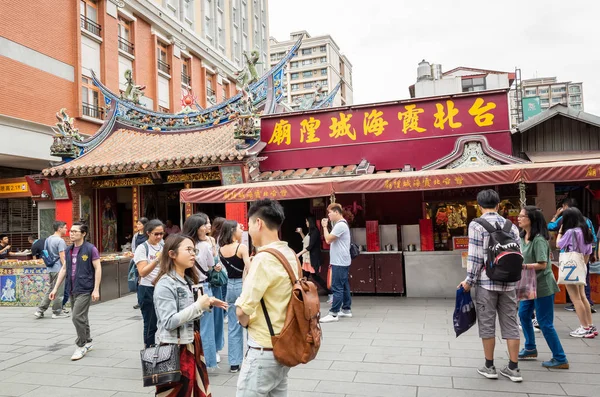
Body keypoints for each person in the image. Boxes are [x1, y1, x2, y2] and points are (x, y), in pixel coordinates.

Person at [235, 198, 299, 397]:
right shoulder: (289, 253)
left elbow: (242, 310)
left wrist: (245, 323)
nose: (249, 231)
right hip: (285, 345)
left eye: (249, 225)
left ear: (258, 223)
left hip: (263, 348)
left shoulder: (263, 259)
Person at [458, 189, 523, 382]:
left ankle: (489, 366)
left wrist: (469, 281)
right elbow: (519, 254)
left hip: (487, 283)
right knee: (511, 324)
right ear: (498, 204)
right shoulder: (511, 225)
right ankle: (513, 368)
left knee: (487, 324)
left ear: (479, 206)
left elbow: (476, 257)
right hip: (510, 283)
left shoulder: (477, 225)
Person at [153, 234, 228, 397]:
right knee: (176, 393)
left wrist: (206, 302)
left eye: (194, 250)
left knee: (195, 391)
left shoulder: (187, 280)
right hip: (172, 348)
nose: (193, 253)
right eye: (188, 249)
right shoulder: (165, 284)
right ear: (172, 254)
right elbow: (169, 321)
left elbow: (190, 314)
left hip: (192, 343)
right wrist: (198, 305)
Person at [517, 206, 568, 368]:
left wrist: (522, 267)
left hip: (542, 285)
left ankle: (560, 358)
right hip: (528, 283)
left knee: (545, 322)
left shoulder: (538, 240)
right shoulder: (523, 236)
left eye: (522, 216)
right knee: (523, 314)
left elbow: (542, 264)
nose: (518, 218)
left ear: (531, 219)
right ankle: (530, 347)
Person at [49, 222, 101, 360]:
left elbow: (98, 268)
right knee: (82, 316)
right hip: (72, 288)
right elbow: (64, 269)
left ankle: (81, 345)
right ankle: (88, 340)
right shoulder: (68, 250)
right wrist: (55, 288)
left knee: (76, 316)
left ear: (83, 234)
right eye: (71, 231)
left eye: (75, 231)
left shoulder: (90, 249)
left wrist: (96, 289)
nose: (71, 233)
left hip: (85, 288)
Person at [182, 213, 221, 370]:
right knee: (205, 326)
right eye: (203, 225)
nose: (206, 227)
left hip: (186, 286)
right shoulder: (205, 246)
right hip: (203, 287)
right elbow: (211, 265)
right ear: (196, 229)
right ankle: (206, 361)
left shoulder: (183, 245)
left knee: (189, 324)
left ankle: (190, 358)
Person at [549, 198, 597, 313]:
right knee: (584, 280)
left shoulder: (565, 223)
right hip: (583, 257)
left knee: (574, 289)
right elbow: (593, 239)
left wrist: (556, 216)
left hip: (570, 259)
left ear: (565, 207)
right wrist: (593, 255)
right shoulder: (587, 221)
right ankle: (588, 304)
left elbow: (551, 228)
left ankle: (577, 306)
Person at [557, 208, 597, 338]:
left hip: (571, 268)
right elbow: (589, 251)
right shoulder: (586, 231)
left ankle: (584, 327)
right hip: (582, 266)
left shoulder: (570, 232)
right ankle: (590, 325)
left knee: (576, 299)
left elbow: (558, 244)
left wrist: (560, 232)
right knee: (583, 296)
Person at [219, 220, 251, 373]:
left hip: (230, 287)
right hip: (242, 285)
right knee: (249, 322)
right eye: (239, 228)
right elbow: (249, 268)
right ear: (232, 230)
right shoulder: (241, 247)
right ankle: (251, 357)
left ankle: (234, 363)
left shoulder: (221, 249)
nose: (242, 229)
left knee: (233, 325)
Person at [134, 219, 165, 347]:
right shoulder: (142, 248)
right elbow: (142, 272)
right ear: (148, 233)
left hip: (162, 288)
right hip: (147, 289)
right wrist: (158, 259)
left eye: (161, 234)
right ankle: (149, 349)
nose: (159, 237)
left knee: (164, 321)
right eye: (156, 234)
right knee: (150, 323)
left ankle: (164, 350)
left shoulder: (163, 246)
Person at [320, 203, 352, 323]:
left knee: (337, 286)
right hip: (342, 260)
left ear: (337, 212)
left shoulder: (340, 225)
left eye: (330, 212)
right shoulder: (342, 224)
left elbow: (328, 239)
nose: (328, 215)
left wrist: (324, 227)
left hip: (339, 261)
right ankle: (346, 309)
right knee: (344, 286)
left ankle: (334, 313)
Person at [35, 221, 70, 319]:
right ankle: (57, 312)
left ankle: (40, 310)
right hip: (59, 268)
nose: (66, 229)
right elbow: (62, 256)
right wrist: (66, 268)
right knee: (59, 291)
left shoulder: (48, 239)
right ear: (59, 228)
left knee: (51, 290)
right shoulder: (60, 241)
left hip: (50, 268)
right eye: (65, 227)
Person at [205, 216, 225, 364]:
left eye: (209, 223)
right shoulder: (192, 243)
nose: (208, 225)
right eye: (206, 223)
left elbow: (216, 258)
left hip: (214, 282)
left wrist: (217, 266)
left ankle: (216, 348)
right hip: (202, 283)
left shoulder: (212, 241)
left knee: (217, 316)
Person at [295, 216, 328, 293]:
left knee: (315, 276)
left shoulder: (315, 232)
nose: (306, 223)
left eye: (307, 221)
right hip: (307, 258)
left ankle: (330, 291)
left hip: (312, 258)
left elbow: (310, 246)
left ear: (310, 222)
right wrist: (301, 233)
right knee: (305, 275)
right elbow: (305, 241)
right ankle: (303, 292)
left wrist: (299, 254)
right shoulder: (310, 232)